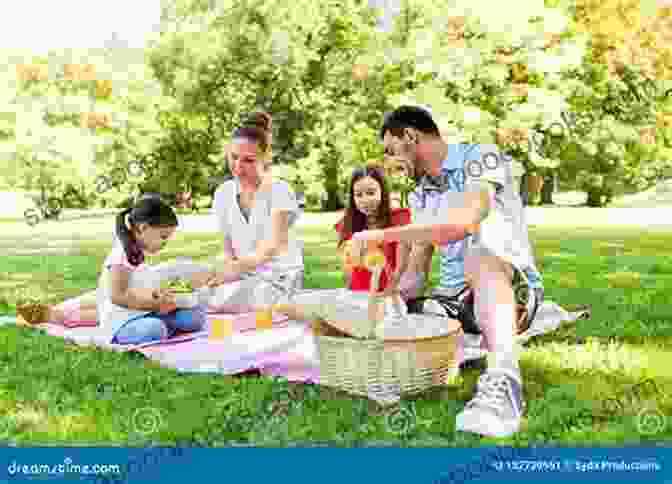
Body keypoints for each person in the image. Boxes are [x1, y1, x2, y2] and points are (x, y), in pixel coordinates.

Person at [350, 106, 545, 438]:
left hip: (508, 288)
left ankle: (503, 379)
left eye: (391, 150)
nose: (389, 161)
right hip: (454, 305)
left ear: (410, 136)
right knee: (399, 311)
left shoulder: (480, 157)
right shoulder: (421, 193)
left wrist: (382, 235)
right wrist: (382, 301)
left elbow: (463, 223)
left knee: (479, 254)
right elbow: (415, 277)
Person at [207, 112, 304, 309]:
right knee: (205, 295)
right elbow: (228, 250)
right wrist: (226, 271)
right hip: (245, 275)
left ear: (265, 158)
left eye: (248, 160)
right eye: (233, 157)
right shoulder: (223, 193)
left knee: (225, 304)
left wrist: (233, 270)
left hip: (279, 277)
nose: (238, 167)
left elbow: (270, 249)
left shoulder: (279, 191)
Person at [97, 196, 219, 345]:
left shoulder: (137, 252)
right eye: (163, 237)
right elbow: (118, 297)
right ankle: (158, 330)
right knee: (155, 329)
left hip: (143, 312)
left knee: (195, 316)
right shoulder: (121, 257)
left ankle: (165, 328)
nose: (165, 243)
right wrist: (157, 305)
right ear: (143, 228)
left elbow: (140, 288)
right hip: (122, 322)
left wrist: (161, 296)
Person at [335, 164, 412, 297]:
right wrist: (347, 295)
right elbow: (348, 269)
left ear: (383, 191)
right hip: (358, 294)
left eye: (371, 193)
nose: (365, 200)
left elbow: (402, 266)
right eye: (359, 195)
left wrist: (389, 292)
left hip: (391, 293)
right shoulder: (348, 223)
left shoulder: (399, 219)